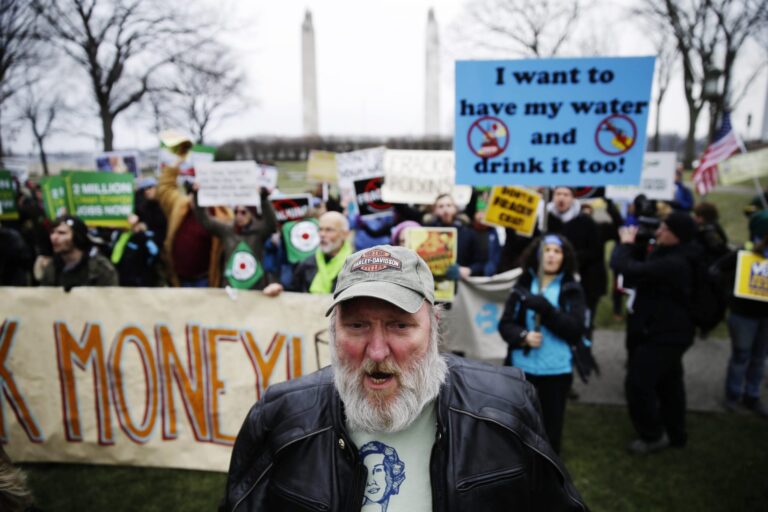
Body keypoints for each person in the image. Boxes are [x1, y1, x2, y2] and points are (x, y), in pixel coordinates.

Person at [223, 245, 588, 511]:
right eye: (357, 325)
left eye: (400, 325)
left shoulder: (504, 407)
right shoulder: (282, 415)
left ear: (434, 328)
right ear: (333, 332)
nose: (378, 351)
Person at [610, 212, 697, 454]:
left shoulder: (675, 263)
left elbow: (623, 266)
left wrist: (626, 244)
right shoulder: (674, 254)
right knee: (669, 384)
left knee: (638, 383)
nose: (658, 232)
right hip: (666, 330)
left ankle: (652, 435)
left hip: (666, 335)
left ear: (678, 236)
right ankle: (676, 432)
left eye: (664, 229)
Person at [498, 234, 589, 453]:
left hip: (555, 371)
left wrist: (546, 310)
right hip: (522, 369)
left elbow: (575, 330)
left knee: (550, 428)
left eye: (557, 251)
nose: (551, 255)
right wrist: (523, 336)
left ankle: (548, 472)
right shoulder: (524, 284)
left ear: (564, 257)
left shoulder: (571, 288)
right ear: (538, 254)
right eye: (546, 250)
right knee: (520, 423)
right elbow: (505, 325)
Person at [713, 210, 768, 417]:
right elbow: (715, 271)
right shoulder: (742, 254)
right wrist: (731, 291)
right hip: (744, 315)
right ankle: (733, 395)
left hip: (765, 317)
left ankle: (752, 395)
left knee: (760, 357)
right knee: (742, 355)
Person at [157, 163, 230, 287]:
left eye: (199, 194)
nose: (194, 198)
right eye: (191, 193)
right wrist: (175, 163)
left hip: (204, 279)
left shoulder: (220, 214)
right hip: (178, 279)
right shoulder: (179, 205)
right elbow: (165, 188)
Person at [545, 187, 604, 338]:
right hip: (553, 281)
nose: (561, 198)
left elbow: (595, 251)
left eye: (566, 195)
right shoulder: (545, 219)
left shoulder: (585, 221)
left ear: (573, 198)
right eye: (558, 194)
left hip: (584, 281)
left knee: (583, 322)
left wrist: (567, 259)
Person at [193, 187, 278, 291]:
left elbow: (272, 224)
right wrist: (197, 196)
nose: (239, 216)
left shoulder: (259, 232)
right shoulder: (227, 230)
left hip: (255, 287)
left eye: (243, 212)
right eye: (236, 212)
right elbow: (206, 221)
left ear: (251, 214)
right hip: (231, 287)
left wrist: (263, 199)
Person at [39, 215, 118, 289]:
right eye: (52, 232)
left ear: (77, 237)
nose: (54, 237)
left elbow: (110, 298)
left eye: (61, 233)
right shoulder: (52, 267)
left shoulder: (99, 268)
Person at [287, 210, 353, 293]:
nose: (322, 234)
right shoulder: (307, 264)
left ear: (344, 234)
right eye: (320, 229)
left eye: (329, 230)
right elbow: (292, 293)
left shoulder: (357, 264)